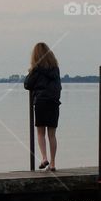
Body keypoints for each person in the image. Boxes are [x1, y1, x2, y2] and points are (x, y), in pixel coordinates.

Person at [23, 42, 62, 171]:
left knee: (40, 132)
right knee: (52, 134)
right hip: (53, 103)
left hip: (41, 102)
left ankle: (44, 158)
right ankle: (53, 163)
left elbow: (27, 84)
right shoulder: (55, 69)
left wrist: (30, 72)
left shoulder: (36, 70)